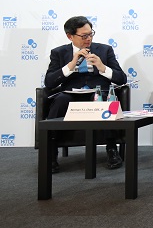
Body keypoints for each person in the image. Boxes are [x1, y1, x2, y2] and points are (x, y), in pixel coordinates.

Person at [44, 16, 127, 173]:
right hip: (70, 94)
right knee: (60, 100)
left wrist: (102, 67)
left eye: (90, 34)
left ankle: (111, 149)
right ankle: (51, 153)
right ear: (70, 36)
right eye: (84, 36)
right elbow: (49, 82)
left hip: (97, 92)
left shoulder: (104, 50)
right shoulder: (59, 53)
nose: (88, 38)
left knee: (102, 100)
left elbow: (121, 79)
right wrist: (71, 64)